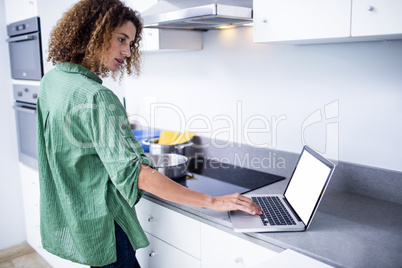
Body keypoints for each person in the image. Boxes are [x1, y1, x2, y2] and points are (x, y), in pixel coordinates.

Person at [37, 0, 262, 267]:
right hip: (106, 223)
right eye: (121, 39)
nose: (127, 51)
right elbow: (138, 174)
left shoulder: (53, 80)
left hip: (78, 216)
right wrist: (212, 200)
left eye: (130, 43)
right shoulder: (96, 96)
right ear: (93, 32)